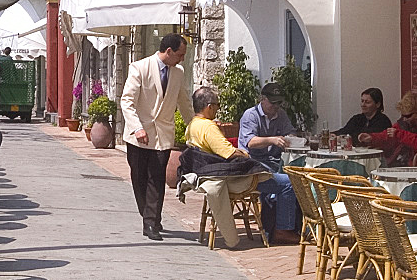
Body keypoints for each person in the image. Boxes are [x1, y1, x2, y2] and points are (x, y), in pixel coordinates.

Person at [120, 33, 194, 241]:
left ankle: (151, 222)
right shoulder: (139, 68)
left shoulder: (178, 73)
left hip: (162, 136)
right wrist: (137, 128)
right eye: (180, 55)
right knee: (139, 177)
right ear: (168, 51)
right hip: (139, 136)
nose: (182, 59)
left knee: (157, 178)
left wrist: (195, 126)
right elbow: (127, 101)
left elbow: (185, 103)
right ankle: (148, 213)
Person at [182, 87, 257, 248]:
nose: (218, 109)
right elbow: (229, 154)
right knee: (280, 182)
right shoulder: (208, 127)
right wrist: (245, 154)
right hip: (222, 177)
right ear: (209, 107)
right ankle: (280, 230)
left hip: (203, 173)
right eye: (217, 105)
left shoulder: (192, 125)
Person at [238, 82, 299, 244]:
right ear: (262, 100)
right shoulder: (250, 115)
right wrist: (272, 140)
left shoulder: (281, 115)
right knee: (290, 183)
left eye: (279, 102)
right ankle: (282, 229)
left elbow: (290, 131)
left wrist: (292, 137)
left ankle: (281, 225)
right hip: (252, 166)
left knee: (297, 176)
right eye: (273, 102)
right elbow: (250, 142)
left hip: (274, 163)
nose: (276, 106)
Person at [359, 91, 417, 166]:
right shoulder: (405, 122)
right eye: (402, 115)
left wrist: (400, 135)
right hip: (399, 161)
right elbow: (387, 136)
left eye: (407, 116)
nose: (404, 119)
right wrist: (372, 138)